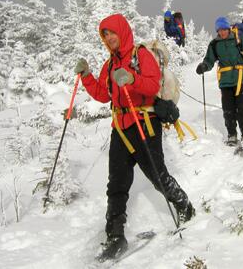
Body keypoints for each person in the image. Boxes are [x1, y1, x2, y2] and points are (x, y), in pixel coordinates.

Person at [75, 13, 194, 261]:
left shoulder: (140, 56)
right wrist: (86, 76)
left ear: (122, 31)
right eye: (104, 35)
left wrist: (132, 78)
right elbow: (103, 94)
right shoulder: (109, 65)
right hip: (120, 127)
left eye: (111, 33)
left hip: (145, 122)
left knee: (157, 175)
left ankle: (184, 206)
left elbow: (151, 86)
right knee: (116, 183)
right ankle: (115, 236)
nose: (108, 38)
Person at [195, 17, 243, 154]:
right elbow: (209, 60)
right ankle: (232, 135)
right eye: (219, 30)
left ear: (228, 29)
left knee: (242, 110)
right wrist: (204, 66)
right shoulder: (214, 44)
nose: (222, 32)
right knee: (228, 110)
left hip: (241, 79)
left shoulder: (239, 39)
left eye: (223, 29)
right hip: (225, 81)